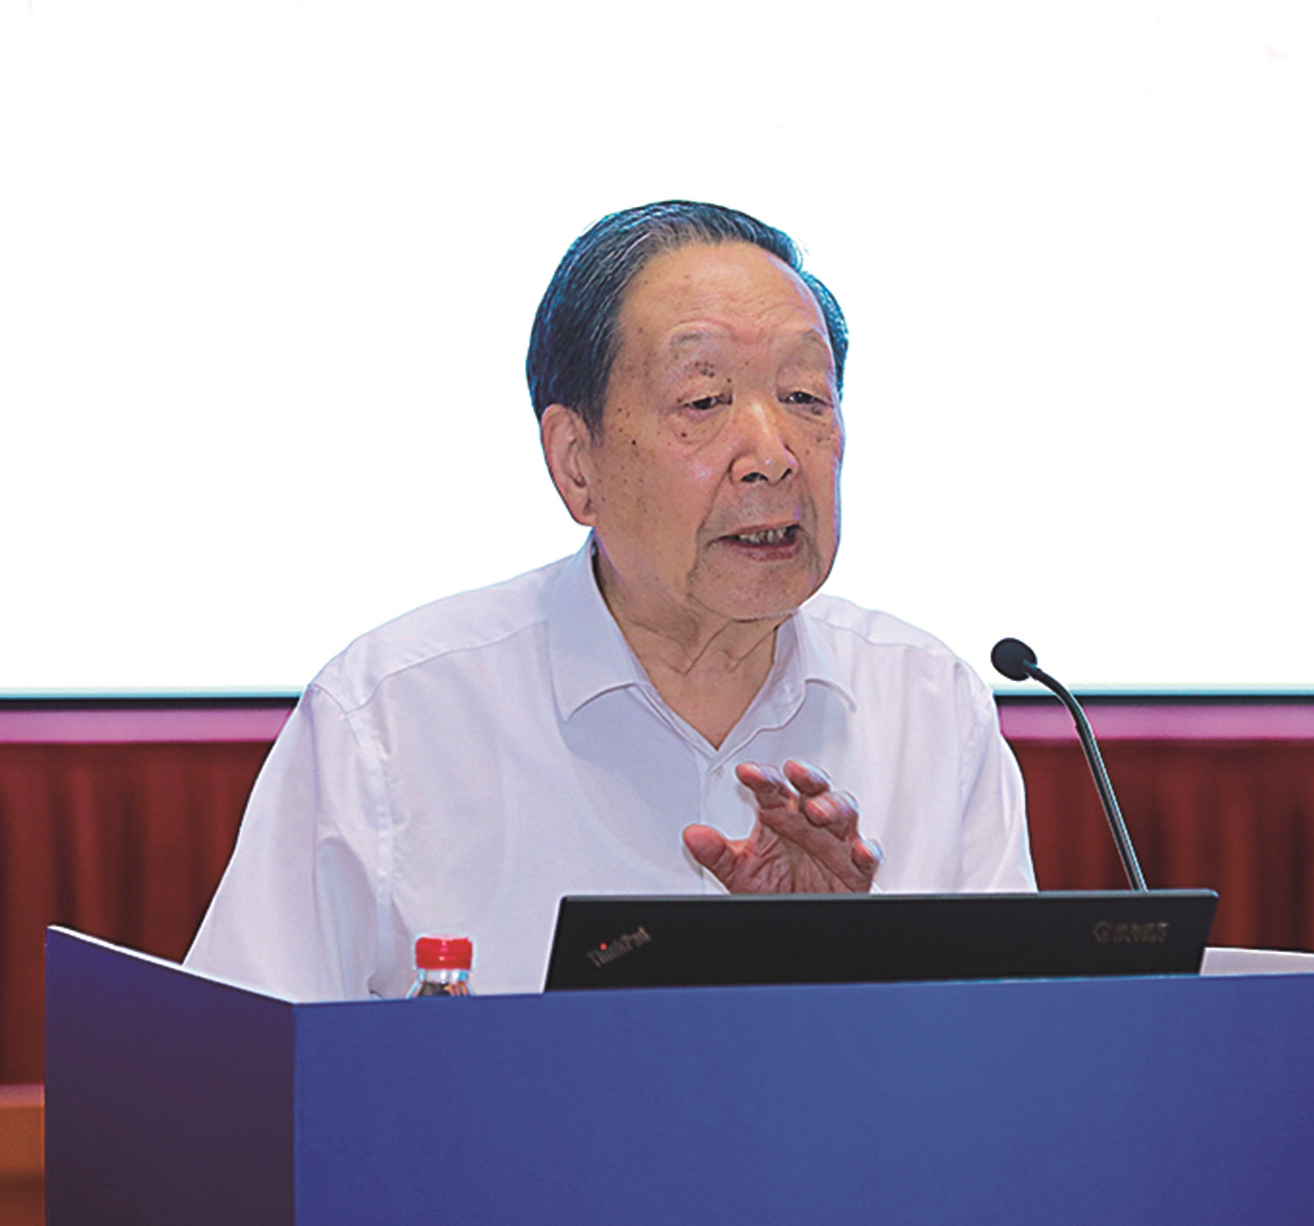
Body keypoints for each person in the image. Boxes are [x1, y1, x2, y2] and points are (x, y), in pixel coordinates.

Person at [185, 201, 1036, 999]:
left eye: (804, 398)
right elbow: (232, 1071)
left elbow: (1011, 1063)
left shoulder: (929, 707)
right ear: (575, 462)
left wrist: (849, 962)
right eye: (703, 401)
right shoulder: (392, 717)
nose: (772, 456)